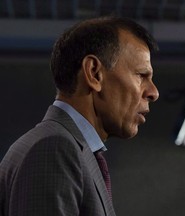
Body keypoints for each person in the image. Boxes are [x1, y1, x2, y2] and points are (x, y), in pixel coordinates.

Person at [0, 16, 159, 216]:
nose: (153, 92)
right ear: (94, 73)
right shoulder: (55, 149)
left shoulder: (69, 148)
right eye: (142, 75)